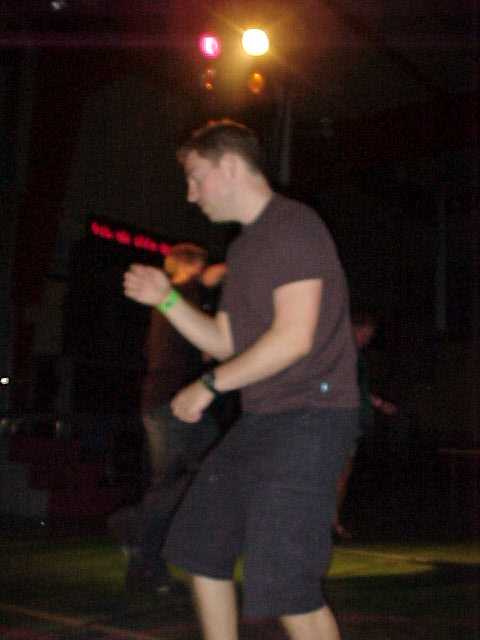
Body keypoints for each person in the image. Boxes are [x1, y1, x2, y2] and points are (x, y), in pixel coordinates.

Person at [124, 120, 359, 640]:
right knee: (199, 546)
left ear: (229, 167)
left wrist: (208, 387)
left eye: (195, 178)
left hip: (312, 419)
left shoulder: (294, 226)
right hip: (263, 419)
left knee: (285, 585)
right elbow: (226, 341)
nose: (190, 195)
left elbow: (293, 338)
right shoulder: (245, 249)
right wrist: (165, 298)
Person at [122, 243, 223, 594]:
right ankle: (142, 553)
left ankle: (139, 540)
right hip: (172, 403)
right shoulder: (179, 297)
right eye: (199, 267)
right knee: (174, 482)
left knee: (199, 472)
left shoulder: (175, 300)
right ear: (188, 267)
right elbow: (207, 344)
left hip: (172, 401)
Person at [333, 310, 398, 540]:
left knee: (343, 474)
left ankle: (332, 521)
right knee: (336, 474)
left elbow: (358, 389)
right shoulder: (342, 353)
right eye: (365, 334)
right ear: (354, 329)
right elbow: (336, 386)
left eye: (369, 336)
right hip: (339, 421)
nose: (367, 340)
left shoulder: (355, 355)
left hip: (352, 422)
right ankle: (327, 522)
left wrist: (379, 403)